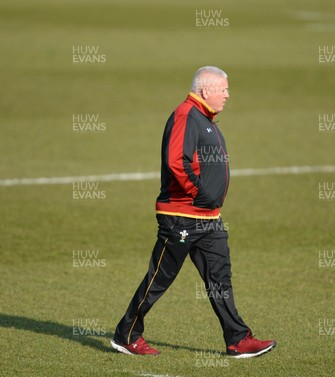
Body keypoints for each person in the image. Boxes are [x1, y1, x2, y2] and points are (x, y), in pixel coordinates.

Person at [111, 66, 276, 358]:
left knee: (220, 279)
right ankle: (126, 334)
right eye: (223, 89)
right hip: (182, 216)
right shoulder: (186, 115)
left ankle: (237, 339)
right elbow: (176, 162)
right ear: (204, 90)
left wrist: (208, 201)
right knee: (159, 278)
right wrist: (200, 193)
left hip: (209, 220)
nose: (227, 95)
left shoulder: (205, 119)